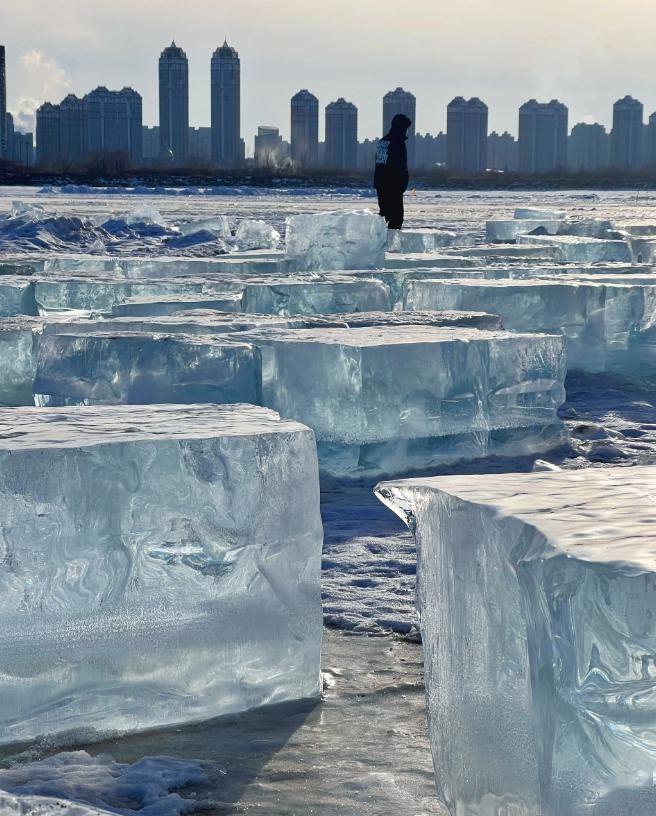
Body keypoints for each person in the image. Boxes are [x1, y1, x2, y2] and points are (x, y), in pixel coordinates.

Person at [374, 113, 411, 230]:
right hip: (393, 185)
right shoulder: (397, 142)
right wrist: (402, 183)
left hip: (381, 183)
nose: (406, 131)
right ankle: (389, 245)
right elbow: (399, 165)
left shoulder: (383, 142)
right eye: (405, 128)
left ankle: (380, 242)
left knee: (385, 214)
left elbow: (379, 163)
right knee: (396, 217)